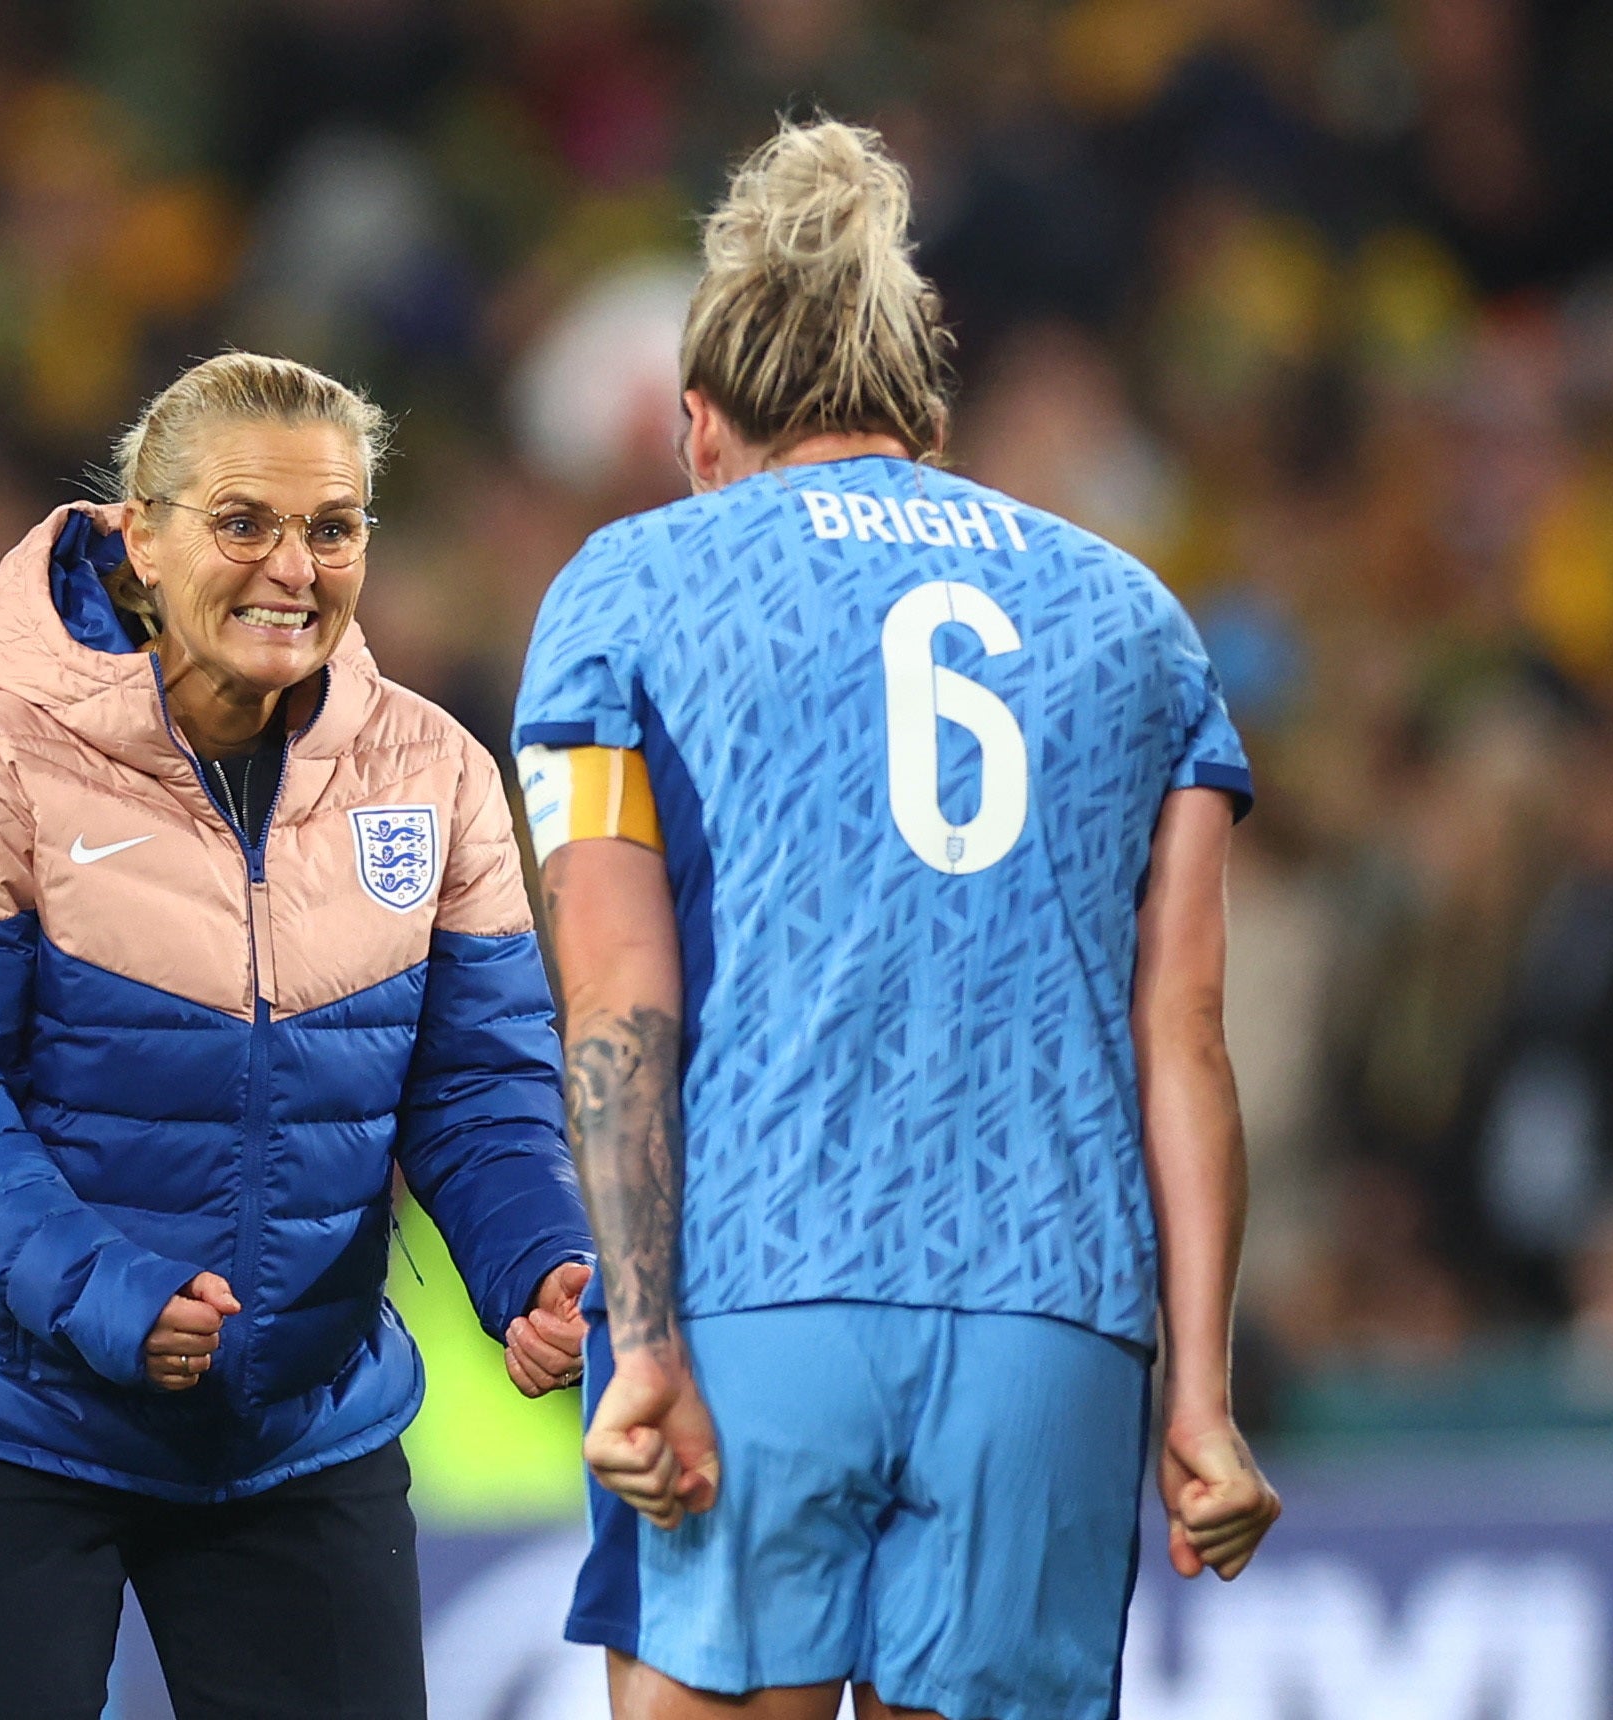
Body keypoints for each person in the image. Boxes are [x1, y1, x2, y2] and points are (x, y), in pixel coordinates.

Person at [511, 119, 1282, 1720]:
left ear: (697, 422)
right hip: (1052, 1318)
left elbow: (614, 989)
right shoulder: (1134, 617)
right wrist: (1197, 1398)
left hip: (753, 1283)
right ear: (922, 418)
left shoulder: (628, 588)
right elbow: (1184, 1036)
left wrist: (641, 1334)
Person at [0, 352, 596, 1719]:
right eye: (242, 523)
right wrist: (113, 1298)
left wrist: (533, 1259)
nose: (290, 568)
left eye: (333, 528)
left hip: (298, 1432)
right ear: (140, 534)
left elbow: (478, 1087)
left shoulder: (435, 774)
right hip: (6, 1421)